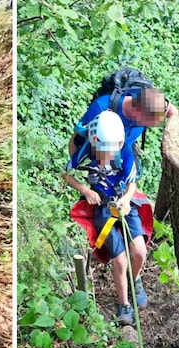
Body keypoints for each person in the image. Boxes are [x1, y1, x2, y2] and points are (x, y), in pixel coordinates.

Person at [64, 110, 148, 326]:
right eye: (103, 150)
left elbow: (132, 184)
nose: (106, 156)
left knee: (139, 250)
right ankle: (124, 304)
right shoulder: (86, 152)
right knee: (120, 259)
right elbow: (67, 174)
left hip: (124, 204)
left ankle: (135, 279)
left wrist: (127, 200)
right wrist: (85, 190)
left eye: (111, 150)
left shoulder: (126, 152)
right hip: (102, 205)